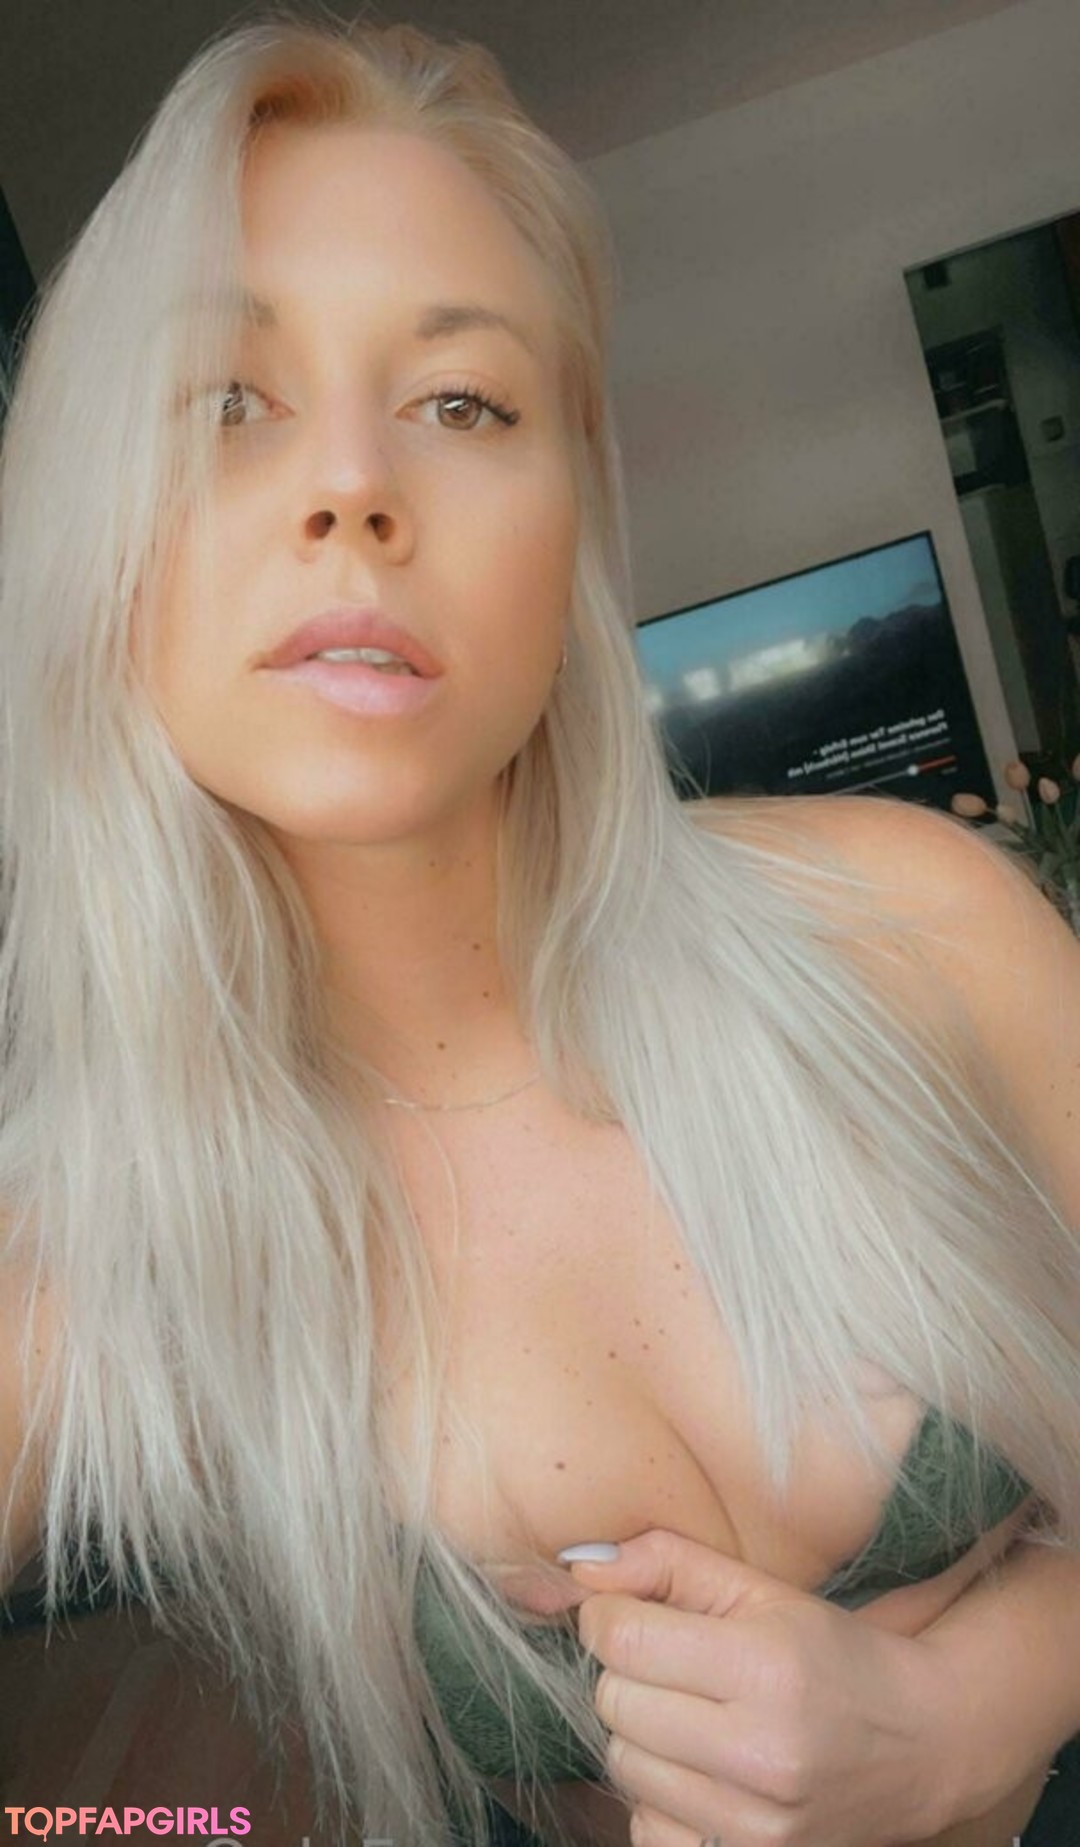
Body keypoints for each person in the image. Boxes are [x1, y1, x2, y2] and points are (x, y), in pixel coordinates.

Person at [0, 16, 1078, 1847]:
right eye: (227, 401)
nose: (354, 488)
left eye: (462, 403)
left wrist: (969, 1716)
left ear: (571, 510)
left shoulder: (918, 923)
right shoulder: (81, 1261)